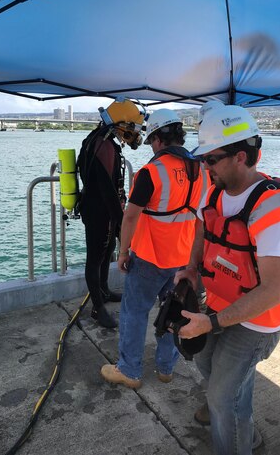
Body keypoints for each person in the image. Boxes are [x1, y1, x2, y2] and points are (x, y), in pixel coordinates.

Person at [174, 102, 280, 455]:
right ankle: (248, 434)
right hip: (217, 305)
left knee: (220, 398)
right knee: (210, 370)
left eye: (211, 159)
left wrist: (210, 323)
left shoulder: (274, 209)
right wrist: (191, 268)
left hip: (257, 322)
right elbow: (201, 227)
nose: (204, 167)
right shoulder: (214, 191)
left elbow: (273, 291)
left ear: (241, 156)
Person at [100, 108, 210, 388]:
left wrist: (123, 252)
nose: (151, 147)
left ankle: (130, 371)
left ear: (158, 139)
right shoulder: (202, 170)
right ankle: (165, 368)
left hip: (150, 257)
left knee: (134, 312)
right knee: (174, 311)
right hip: (183, 258)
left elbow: (131, 215)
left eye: (151, 142)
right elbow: (202, 217)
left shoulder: (152, 172)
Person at [77, 97, 145, 329]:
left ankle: (104, 291)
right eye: (132, 127)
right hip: (98, 211)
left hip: (102, 209)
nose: (134, 133)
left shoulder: (100, 141)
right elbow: (107, 190)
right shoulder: (102, 145)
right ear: (120, 123)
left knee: (106, 253)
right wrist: (120, 223)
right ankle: (97, 308)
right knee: (95, 257)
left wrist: (117, 219)